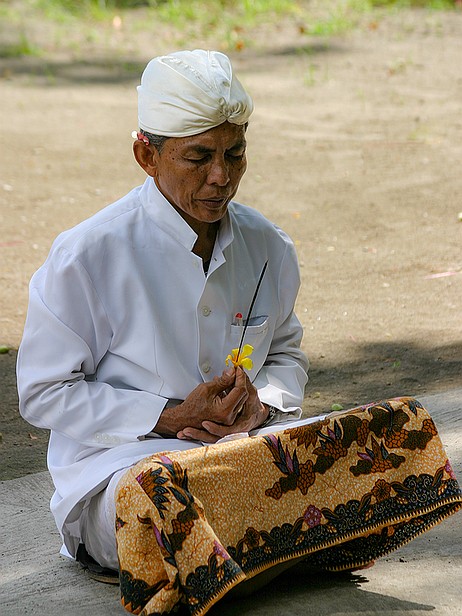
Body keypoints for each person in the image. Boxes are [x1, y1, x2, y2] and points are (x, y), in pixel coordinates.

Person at [17, 50, 461, 616]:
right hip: (125, 477)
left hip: (246, 456)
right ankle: (284, 545)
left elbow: (285, 352)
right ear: (146, 155)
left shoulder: (268, 245)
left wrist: (263, 405)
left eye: (235, 153)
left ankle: (242, 556)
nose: (220, 177)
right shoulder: (87, 255)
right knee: (164, 493)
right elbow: (43, 392)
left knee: (393, 432)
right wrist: (167, 417)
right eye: (198, 157)